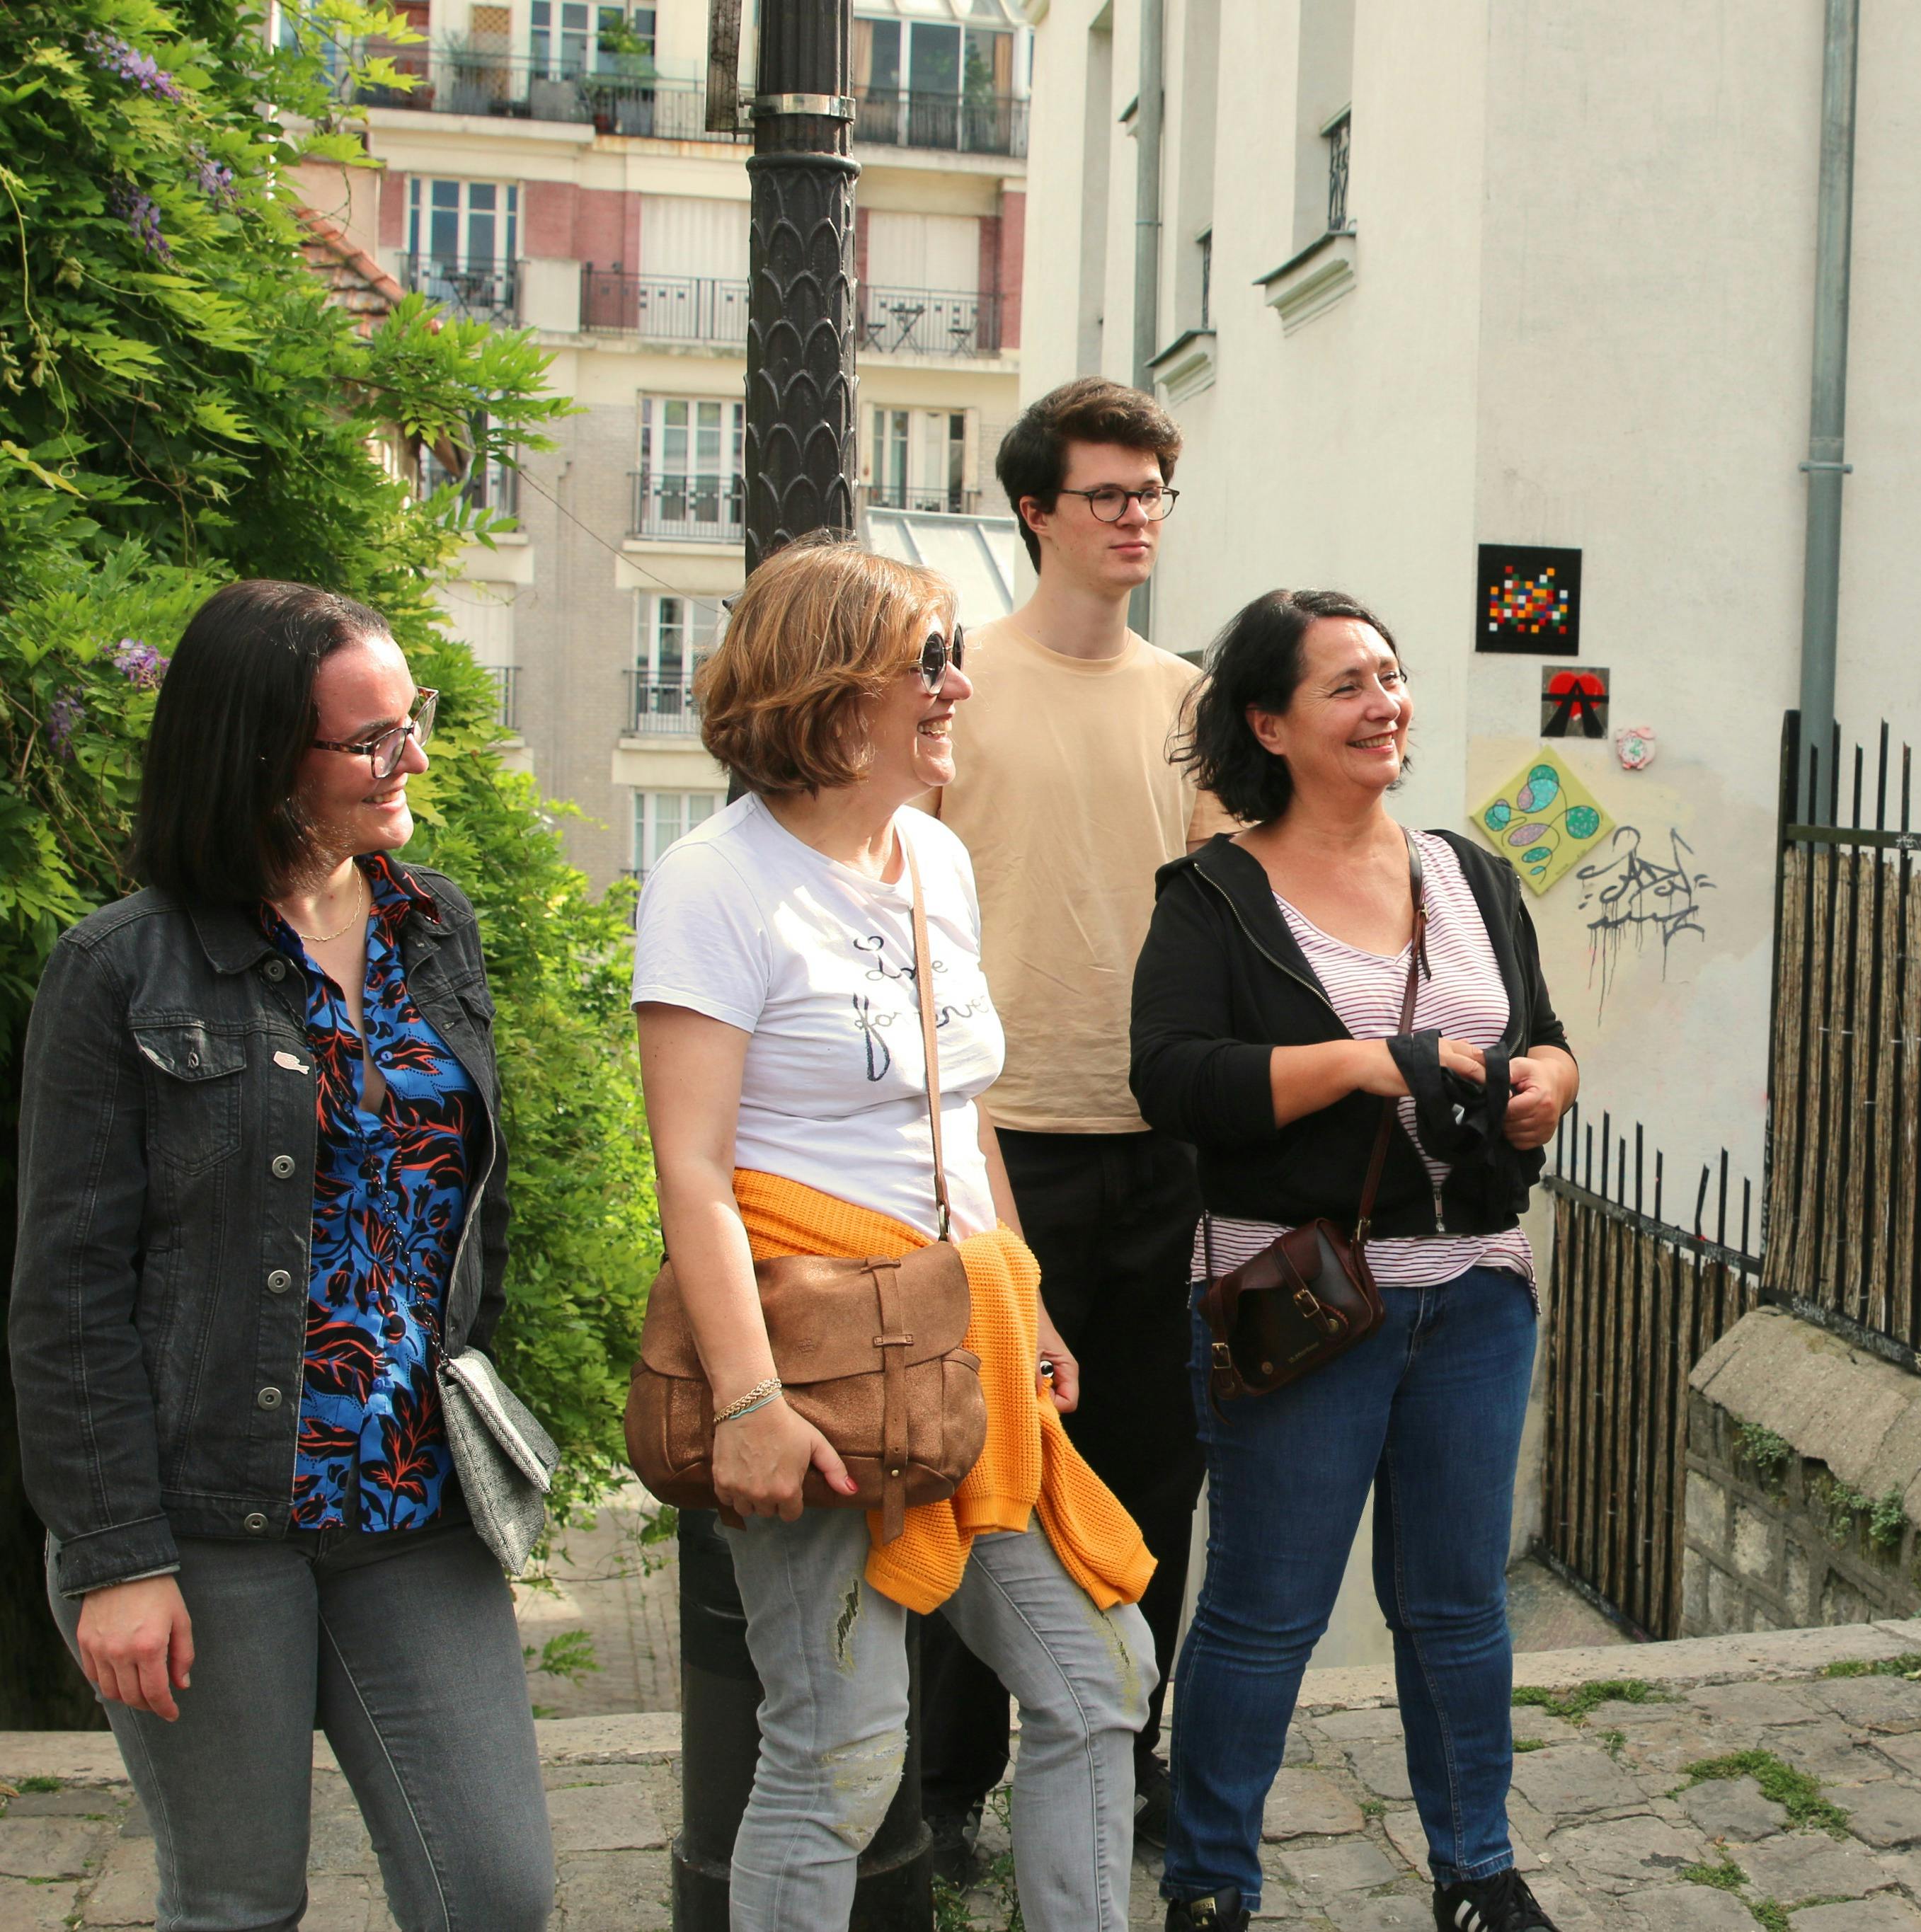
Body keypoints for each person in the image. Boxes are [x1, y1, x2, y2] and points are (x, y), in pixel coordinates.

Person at [630, 534, 1158, 1931]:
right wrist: (746, 1401)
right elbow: (692, 1171)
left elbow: (958, 1109)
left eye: (954, 659)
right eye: (928, 663)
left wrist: (1027, 1311)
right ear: (828, 689)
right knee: (840, 1752)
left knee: (1100, 1676)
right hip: (817, 1371)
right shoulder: (715, 882)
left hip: (958, 1344)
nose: (956, 689)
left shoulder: (934, 857)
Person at [10, 581, 555, 1929]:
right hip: (205, 1523)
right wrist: (115, 1555)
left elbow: (471, 1211)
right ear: (259, 758)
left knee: (495, 1893)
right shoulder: (121, 971)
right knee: (238, 1903)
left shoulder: (435, 925)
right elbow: (67, 1293)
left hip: (414, 1505)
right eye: (371, 739)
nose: (411, 756)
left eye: (413, 718)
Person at [1131, 589, 1581, 1932]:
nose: (1385, 703)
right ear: (1268, 724)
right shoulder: (1214, 896)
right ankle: (1213, 1882)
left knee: (1457, 1606)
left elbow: (1544, 1032)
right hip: (1303, 1297)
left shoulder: (1473, 874)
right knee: (1266, 1609)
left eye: (1390, 674)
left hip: (1477, 1293)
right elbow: (1174, 1080)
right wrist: (1361, 1062)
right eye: (1346, 685)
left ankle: (1477, 1871)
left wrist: (1549, 1083)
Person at [924, 375, 1234, 1870]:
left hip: (1162, 1143)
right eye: (1108, 493)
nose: (1136, 517)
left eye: (1153, 492)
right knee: (979, 1472)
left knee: (1150, 1475)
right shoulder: (959, 683)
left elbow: (1230, 909)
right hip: (996, 1145)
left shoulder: (1190, 703)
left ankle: (1126, 1749)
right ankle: (948, 1783)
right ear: (1035, 510)